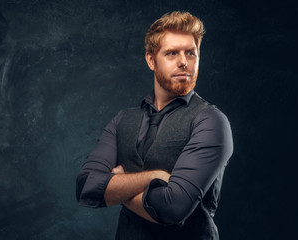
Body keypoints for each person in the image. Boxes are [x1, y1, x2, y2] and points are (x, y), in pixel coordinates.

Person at [76, 11, 233, 240]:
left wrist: (118, 186)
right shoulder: (123, 120)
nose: (183, 62)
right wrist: (154, 177)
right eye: (172, 53)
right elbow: (85, 186)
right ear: (151, 60)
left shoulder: (211, 121)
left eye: (191, 53)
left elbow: (172, 208)